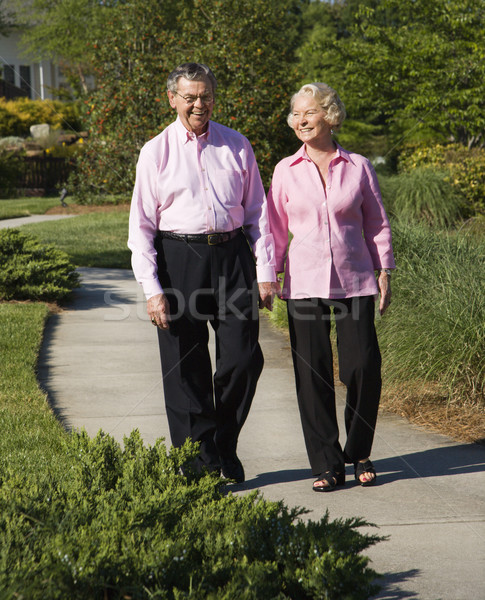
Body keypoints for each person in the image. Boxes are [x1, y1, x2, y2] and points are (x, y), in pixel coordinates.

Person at [128, 63, 277, 483]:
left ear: (215, 96)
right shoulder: (155, 152)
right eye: (190, 96)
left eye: (205, 95)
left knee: (244, 359)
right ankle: (200, 465)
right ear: (172, 98)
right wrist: (153, 289)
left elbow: (258, 214)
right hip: (178, 259)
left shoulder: (236, 144)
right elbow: (140, 227)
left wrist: (265, 271)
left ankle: (222, 445)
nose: (199, 104)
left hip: (233, 258)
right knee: (184, 367)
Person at [267, 82, 395, 492]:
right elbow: (273, 229)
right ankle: (326, 463)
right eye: (295, 114)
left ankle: (358, 452)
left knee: (363, 367)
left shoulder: (358, 166)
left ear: (329, 114)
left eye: (308, 112)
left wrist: (384, 269)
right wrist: (268, 274)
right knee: (312, 374)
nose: (300, 120)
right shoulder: (285, 171)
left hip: (354, 280)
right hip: (303, 283)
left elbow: (376, 222)